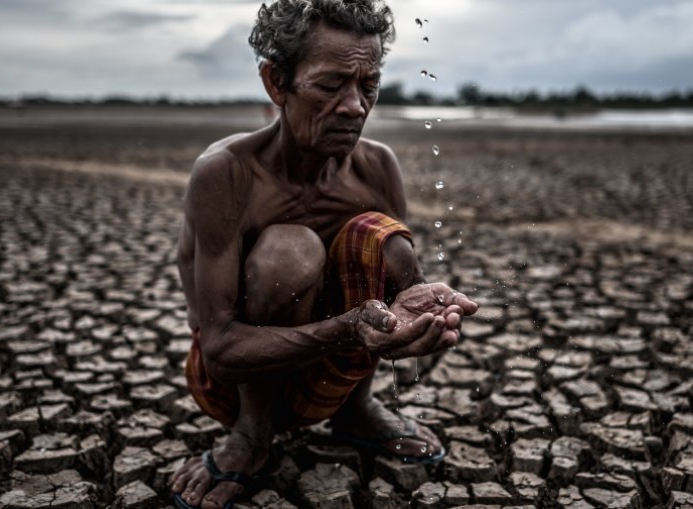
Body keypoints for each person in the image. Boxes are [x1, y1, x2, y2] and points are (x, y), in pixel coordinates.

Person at [169, 1, 478, 508]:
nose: (355, 106)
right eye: (331, 86)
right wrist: (348, 328)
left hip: (330, 377)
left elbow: (392, 299)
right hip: (233, 380)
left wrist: (410, 318)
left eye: (368, 85)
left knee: (381, 234)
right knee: (290, 250)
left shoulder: (377, 167)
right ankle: (253, 434)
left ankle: (355, 410)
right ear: (277, 83)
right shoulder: (228, 173)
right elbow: (221, 351)